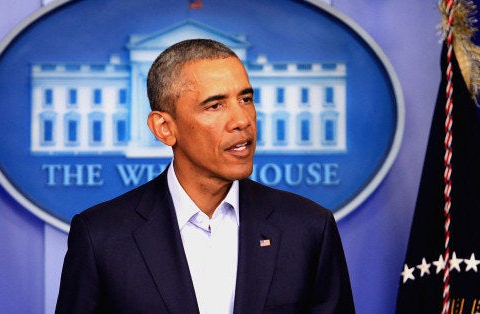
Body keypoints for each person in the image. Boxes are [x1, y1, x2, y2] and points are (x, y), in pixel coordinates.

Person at [56, 39, 355, 313]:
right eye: (215, 105)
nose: (242, 120)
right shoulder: (101, 237)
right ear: (164, 128)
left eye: (246, 99)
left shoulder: (308, 228)